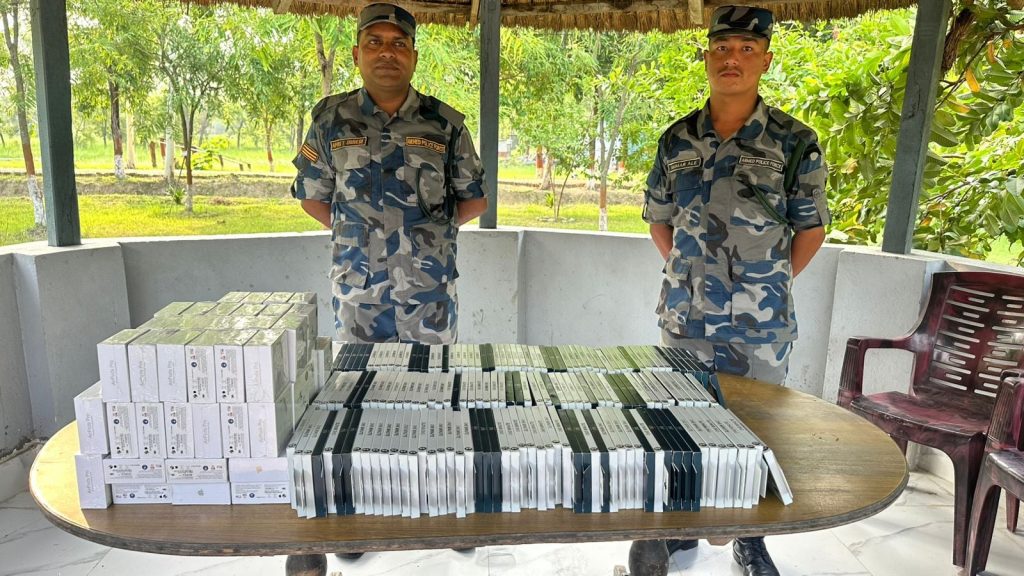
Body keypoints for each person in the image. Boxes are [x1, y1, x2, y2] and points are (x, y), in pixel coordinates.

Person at [635, 5, 829, 576]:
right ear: (706, 57)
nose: (732, 59)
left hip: (759, 326)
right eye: (722, 48)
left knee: (758, 432)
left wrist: (766, 282)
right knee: (680, 426)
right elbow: (659, 221)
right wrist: (690, 276)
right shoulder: (677, 139)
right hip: (685, 320)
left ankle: (750, 538)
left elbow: (811, 229)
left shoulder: (794, 141)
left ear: (765, 61)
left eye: (747, 50)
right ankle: (680, 530)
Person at [291, 2, 488, 346]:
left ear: (414, 56)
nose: (387, 53)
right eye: (374, 42)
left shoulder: (444, 125)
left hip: (429, 295)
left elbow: (475, 200)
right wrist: (362, 233)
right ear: (356, 54)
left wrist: (430, 232)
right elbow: (311, 197)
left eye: (399, 43)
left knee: (434, 379)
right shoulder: (330, 121)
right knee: (359, 379)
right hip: (359, 297)